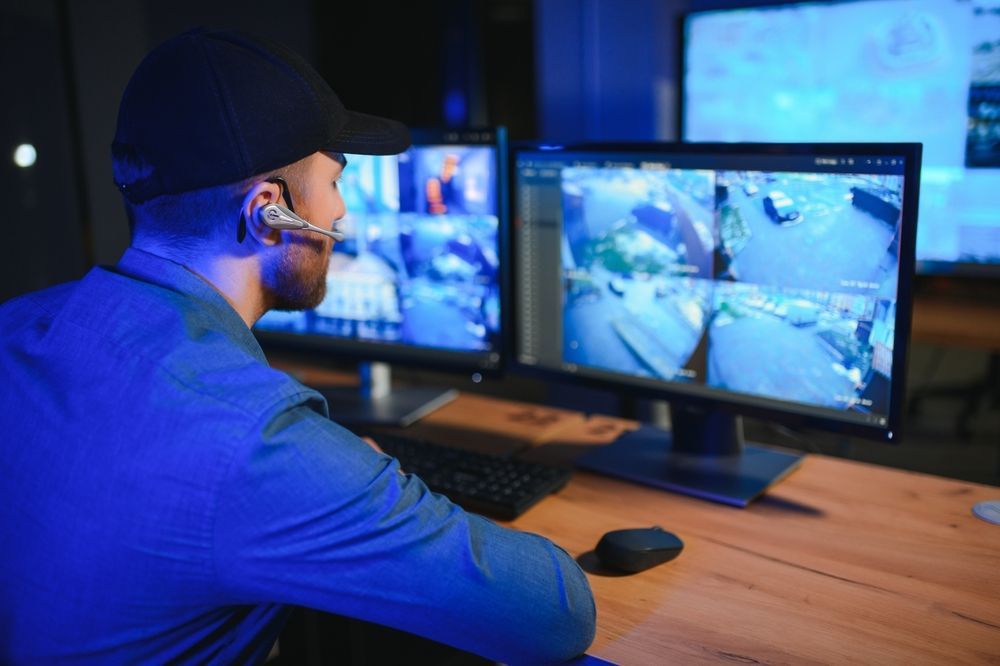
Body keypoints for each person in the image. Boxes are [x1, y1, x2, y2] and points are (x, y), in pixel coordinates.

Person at [0, 28, 595, 664]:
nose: (341, 218)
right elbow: (552, 613)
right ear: (268, 212)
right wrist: (361, 484)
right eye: (334, 182)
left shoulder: (17, 327)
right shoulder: (252, 437)